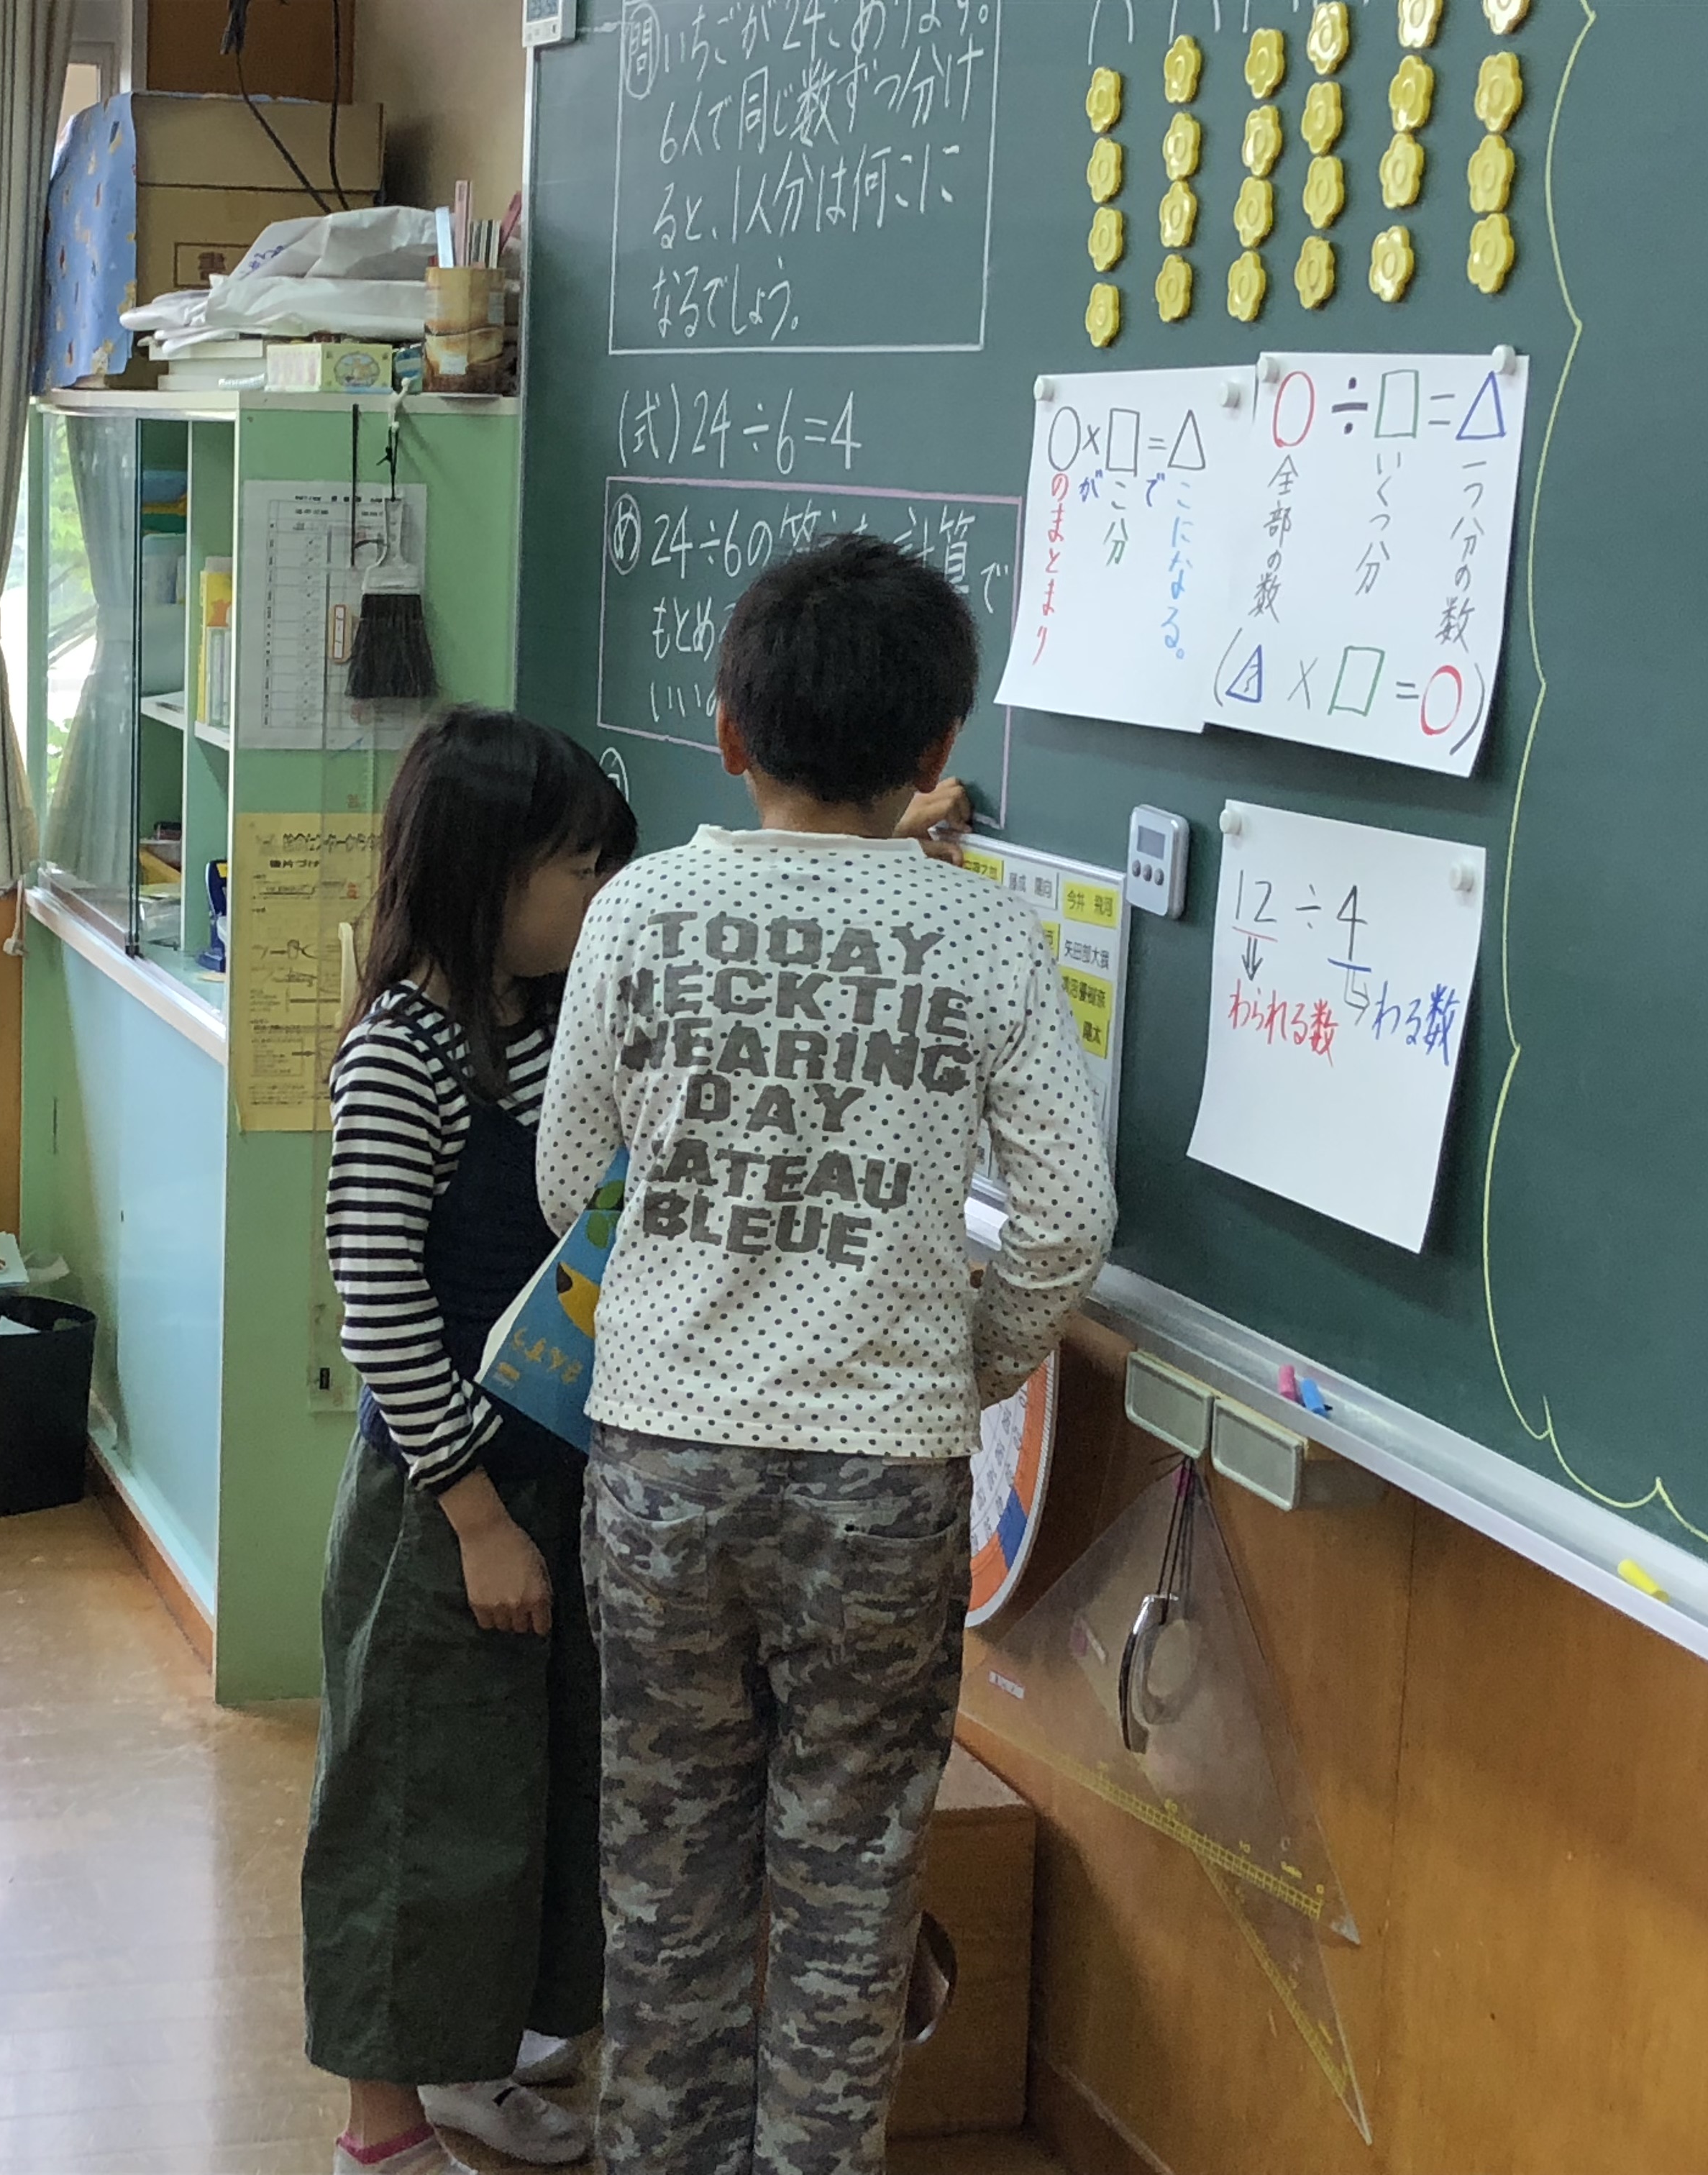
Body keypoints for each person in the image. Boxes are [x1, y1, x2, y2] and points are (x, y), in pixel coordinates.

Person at [536, 537, 1118, 2175]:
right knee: (854, 1881)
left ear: (728, 731)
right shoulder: (982, 940)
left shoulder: (641, 909)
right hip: (885, 1481)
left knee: (668, 1875)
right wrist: (967, 1368)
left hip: (661, 1464)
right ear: (937, 751)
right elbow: (1069, 1222)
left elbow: (568, 1184)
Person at [301, 707, 639, 2175]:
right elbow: (376, 1301)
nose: (601, 899)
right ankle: (380, 2127)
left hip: (551, 1481)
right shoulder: (402, 1056)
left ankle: (468, 2069)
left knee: (516, 1802)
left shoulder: (546, 1025)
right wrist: (477, 1514)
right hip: (440, 1509)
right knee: (411, 1814)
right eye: (580, 872)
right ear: (488, 875)